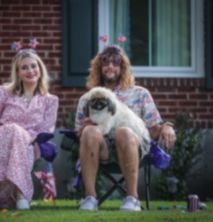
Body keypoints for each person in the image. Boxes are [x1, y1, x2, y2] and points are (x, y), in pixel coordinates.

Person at [75, 44, 176, 211]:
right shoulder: (89, 97)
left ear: (123, 67)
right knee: (90, 131)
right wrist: (86, 129)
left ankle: (132, 198)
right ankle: (90, 198)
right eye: (106, 62)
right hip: (102, 149)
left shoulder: (140, 93)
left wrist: (167, 126)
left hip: (132, 146)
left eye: (116, 62)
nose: (110, 66)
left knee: (124, 132)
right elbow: (80, 133)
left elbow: (153, 129)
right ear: (99, 67)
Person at [0, 41, 59, 211]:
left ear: (40, 69)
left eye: (34, 66)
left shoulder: (50, 100)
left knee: (17, 132)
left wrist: (22, 134)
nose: (30, 71)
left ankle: (20, 193)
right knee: (6, 131)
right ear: (18, 73)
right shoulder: (3, 92)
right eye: (24, 68)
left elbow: (46, 130)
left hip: (28, 143)